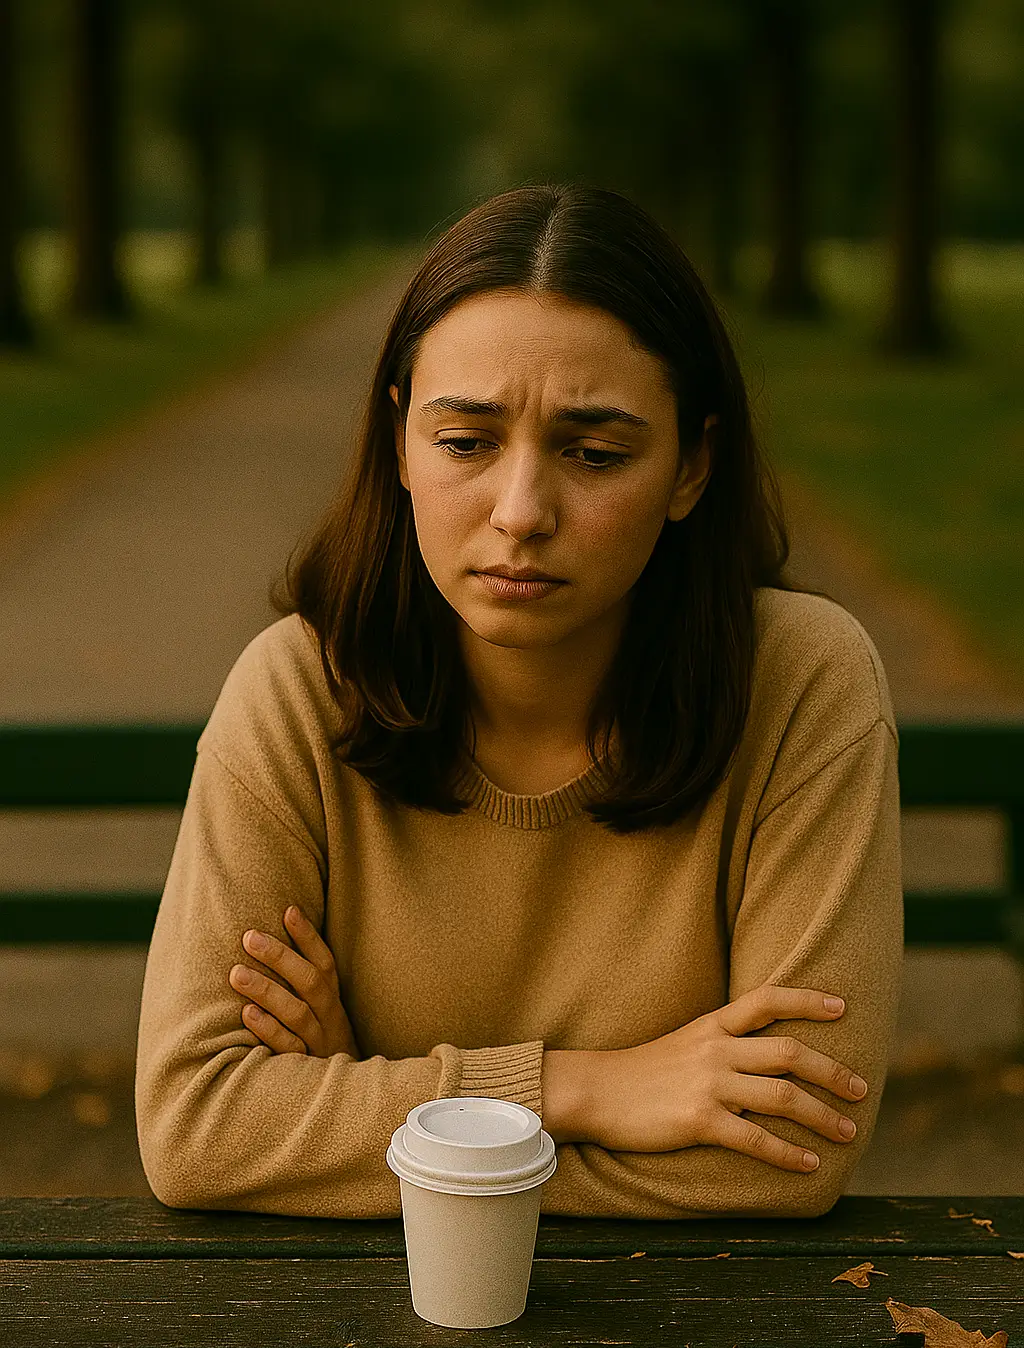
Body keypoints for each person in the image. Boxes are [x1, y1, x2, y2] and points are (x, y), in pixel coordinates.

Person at [135, 183, 902, 1221]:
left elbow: (780, 1156)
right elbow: (201, 1127)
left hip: (701, 1345)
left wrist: (369, 1100)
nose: (520, 512)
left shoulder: (802, 685)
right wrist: (589, 1089)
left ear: (692, 466)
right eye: (465, 442)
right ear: (401, 439)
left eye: (595, 453)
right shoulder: (296, 693)